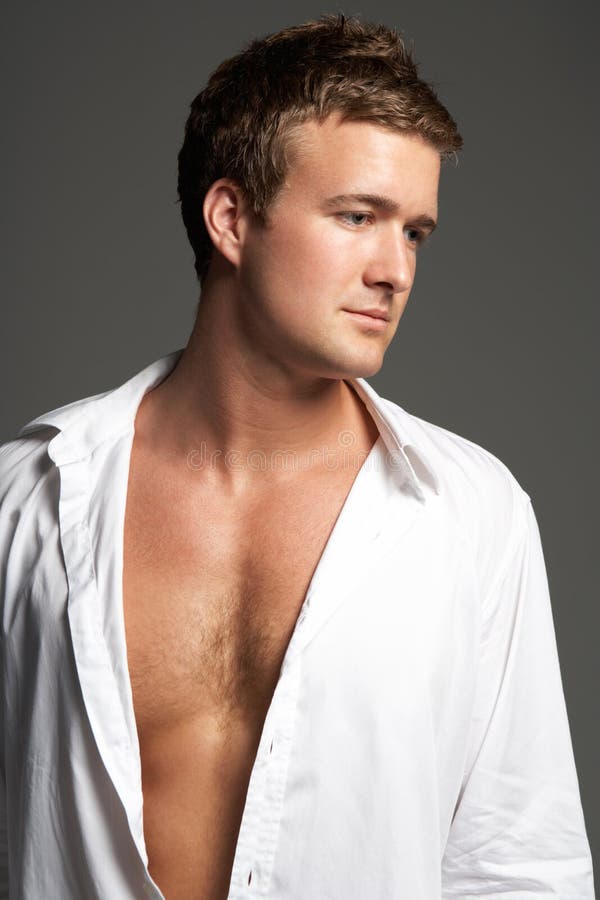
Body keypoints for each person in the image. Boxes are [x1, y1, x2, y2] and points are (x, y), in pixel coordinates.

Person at [0, 12, 594, 900]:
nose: (396, 270)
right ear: (231, 218)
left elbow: (519, 869)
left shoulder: (474, 517)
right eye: (358, 217)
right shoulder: (27, 500)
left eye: (414, 232)